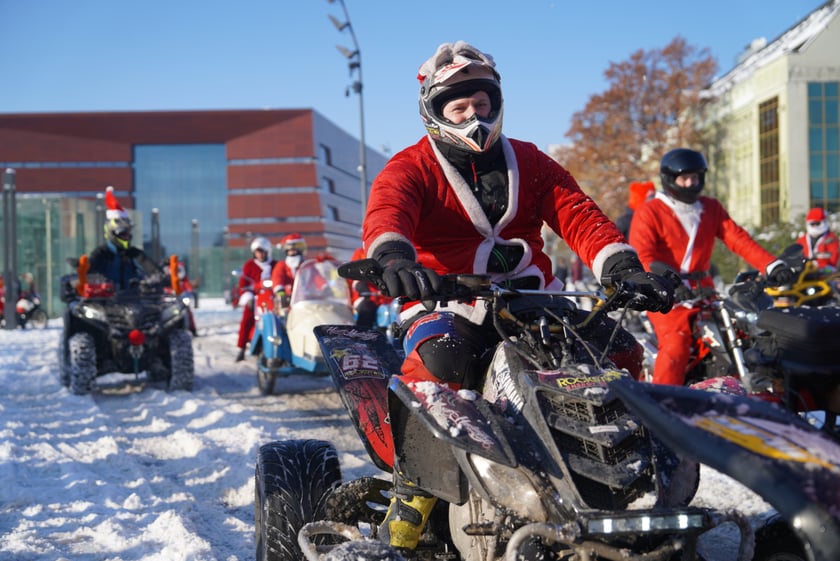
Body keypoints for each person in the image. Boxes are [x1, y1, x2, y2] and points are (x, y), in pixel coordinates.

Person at [361, 40, 675, 551]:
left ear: (496, 102)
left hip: (536, 301)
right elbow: (387, 214)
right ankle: (414, 486)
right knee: (441, 360)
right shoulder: (410, 166)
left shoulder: (529, 160)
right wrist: (394, 260)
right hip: (445, 302)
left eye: (481, 103)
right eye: (459, 107)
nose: (473, 114)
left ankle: (629, 466)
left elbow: (578, 213)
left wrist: (622, 267)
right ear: (435, 112)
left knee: (617, 350)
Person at [629, 148, 795, 386]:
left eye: (695, 177)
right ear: (668, 179)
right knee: (676, 343)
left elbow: (737, 238)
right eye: (683, 178)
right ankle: (663, 403)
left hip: (704, 291)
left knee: (740, 330)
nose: (690, 184)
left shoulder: (711, 207)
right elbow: (642, 253)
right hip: (665, 294)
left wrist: (772, 265)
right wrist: (664, 279)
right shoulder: (650, 211)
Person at [88, 186, 163, 290]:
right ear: (112, 233)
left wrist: (156, 277)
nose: (127, 237)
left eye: (128, 233)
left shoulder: (134, 254)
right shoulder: (101, 253)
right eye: (123, 233)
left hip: (133, 301)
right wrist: (81, 267)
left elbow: (152, 268)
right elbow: (89, 269)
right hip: (105, 302)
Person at [235, 236, 275, 362]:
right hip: (254, 297)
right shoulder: (249, 265)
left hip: (272, 298)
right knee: (247, 318)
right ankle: (241, 348)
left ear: (268, 252)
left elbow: (280, 280)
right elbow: (243, 285)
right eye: (257, 252)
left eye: (262, 251)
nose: (260, 254)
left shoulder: (275, 264)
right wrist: (248, 296)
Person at [270, 233, 307, 308]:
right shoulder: (282, 265)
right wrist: (280, 292)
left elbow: (315, 278)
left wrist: (324, 287)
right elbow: (277, 279)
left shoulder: (305, 265)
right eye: (289, 249)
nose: (292, 251)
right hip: (287, 301)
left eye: (294, 249)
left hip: (305, 299)